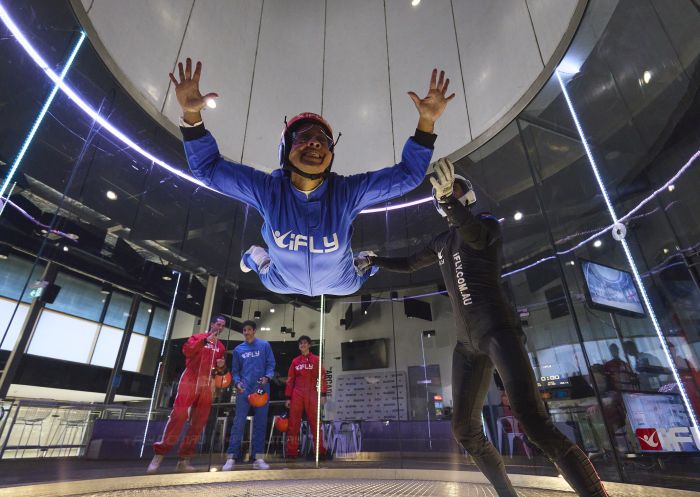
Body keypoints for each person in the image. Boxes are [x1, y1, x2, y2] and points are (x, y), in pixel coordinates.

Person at [357, 158, 609, 496]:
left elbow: (473, 235)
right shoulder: (441, 243)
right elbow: (409, 263)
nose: (450, 190)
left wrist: (448, 201)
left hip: (499, 332)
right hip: (467, 344)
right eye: (446, 190)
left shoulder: (487, 225)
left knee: (534, 422)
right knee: (464, 428)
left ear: (467, 198)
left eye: (457, 189)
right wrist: (376, 259)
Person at [168, 58, 455, 296]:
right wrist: (192, 115)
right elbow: (207, 168)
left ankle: (366, 257)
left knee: (367, 263)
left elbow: (407, 175)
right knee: (258, 260)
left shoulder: (347, 192)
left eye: (323, 140)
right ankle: (252, 254)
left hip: (342, 282)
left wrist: (427, 121)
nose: (315, 143)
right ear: (285, 150)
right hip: (280, 280)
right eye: (304, 137)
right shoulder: (268, 191)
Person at [148, 315, 227, 473]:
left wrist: (221, 367)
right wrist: (205, 341)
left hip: (206, 382)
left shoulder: (221, 347)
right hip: (190, 379)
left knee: (198, 422)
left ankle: (184, 460)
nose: (220, 327)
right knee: (179, 415)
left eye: (223, 326)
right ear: (212, 324)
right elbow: (187, 351)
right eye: (218, 324)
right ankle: (159, 454)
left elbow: (218, 371)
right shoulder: (197, 337)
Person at [223, 320, 276, 470]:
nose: (246, 332)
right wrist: (237, 382)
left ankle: (258, 458)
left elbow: (271, 364)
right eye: (244, 330)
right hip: (244, 389)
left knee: (261, 422)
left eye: (249, 330)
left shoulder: (264, 345)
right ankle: (231, 457)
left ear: (254, 330)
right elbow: (235, 371)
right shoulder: (238, 350)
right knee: (238, 422)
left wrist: (267, 377)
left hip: (261, 388)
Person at [285, 335, 328, 459]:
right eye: (300, 343)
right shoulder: (295, 361)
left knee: (315, 423)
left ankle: (320, 451)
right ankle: (292, 452)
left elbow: (322, 377)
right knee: (293, 424)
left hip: (312, 393)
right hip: (297, 394)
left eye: (305, 343)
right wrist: (288, 397)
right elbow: (290, 380)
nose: (302, 345)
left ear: (309, 345)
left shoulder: (316, 360)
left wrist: (323, 394)